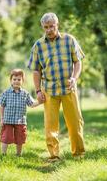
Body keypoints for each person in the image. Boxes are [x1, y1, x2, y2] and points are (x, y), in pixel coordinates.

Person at [28, 12, 85, 162]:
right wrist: (38, 90)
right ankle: (54, 156)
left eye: (51, 26)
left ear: (57, 25)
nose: (49, 30)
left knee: (75, 122)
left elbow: (78, 62)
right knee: (50, 124)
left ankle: (78, 153)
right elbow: (35, 70)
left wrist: (74, 77)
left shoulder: (69, 40)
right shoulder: (38, 45)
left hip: (68, 88)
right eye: (45, 27)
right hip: (49, 90)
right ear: (42, 27)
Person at [0, 69, 40, 156]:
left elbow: (31, 104)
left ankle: (18, 154)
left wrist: (40, 102)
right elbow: (2, 106)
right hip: (7, 120)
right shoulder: (6, 93)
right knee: (5, 137)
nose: (16, 81)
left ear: (22, 81)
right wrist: (1, 118)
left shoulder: (25, 94)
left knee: (20, 138)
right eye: (14, 79)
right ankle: (3, 154)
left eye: (19, 79)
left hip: (20, 121)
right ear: (11, 80)